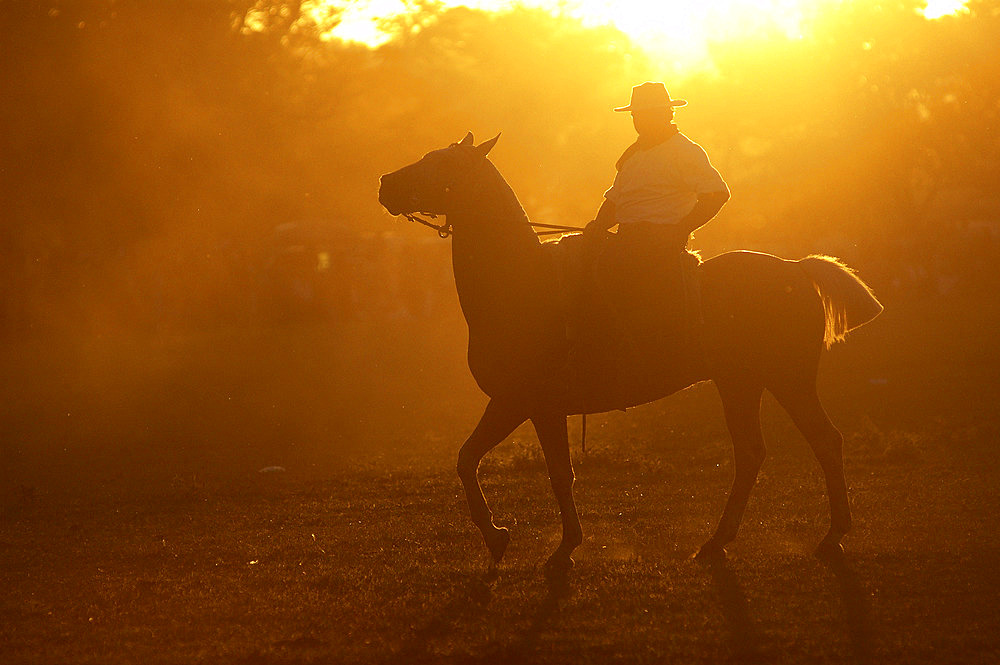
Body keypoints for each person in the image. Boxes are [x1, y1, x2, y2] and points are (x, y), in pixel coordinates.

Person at [584, 81, 730, 390]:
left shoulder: (685, 151)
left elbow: (717, 194)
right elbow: (614, 200)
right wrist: (597, 227)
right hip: (626, 238)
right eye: (635, 115)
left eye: (644, 114)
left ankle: (648, 357)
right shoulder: (632, 156)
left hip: (659, 244)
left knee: (622, 283)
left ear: (665, 114)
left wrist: (678, 230)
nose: (638, 120)